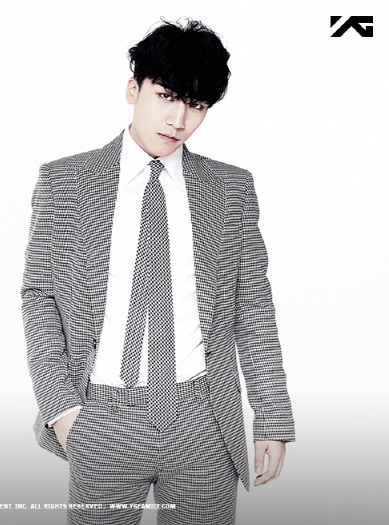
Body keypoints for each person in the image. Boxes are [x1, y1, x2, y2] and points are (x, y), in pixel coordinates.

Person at [21, 18, 295, 525]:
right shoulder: (65, 181)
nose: (178, 119)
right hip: (102, 416)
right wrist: (62, 411)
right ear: (134, 89)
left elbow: (253, 305)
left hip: (203, 419)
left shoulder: (230, 188)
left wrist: (272, 416)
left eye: (196, 105)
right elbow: (39, 297)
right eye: (167, 96)